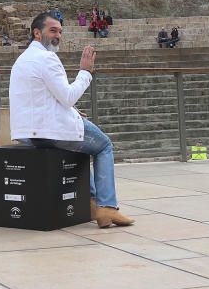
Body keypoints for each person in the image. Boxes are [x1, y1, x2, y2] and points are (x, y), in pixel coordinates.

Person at [9, 12, 134, 229]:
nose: (58, 35)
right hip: (52, 131)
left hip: (29, 133)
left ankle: (94, 204)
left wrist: (74, 111)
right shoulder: (47, 58)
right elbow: (67, 96)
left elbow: (42, 97)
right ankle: (107, 207)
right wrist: (85, 72)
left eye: (59, 31)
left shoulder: (22, 60)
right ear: (37, 33)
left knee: (82, 147)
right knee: (103, 145)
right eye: (52, 30)